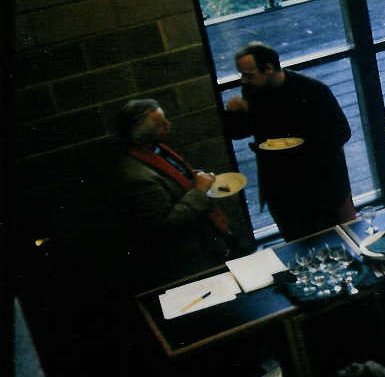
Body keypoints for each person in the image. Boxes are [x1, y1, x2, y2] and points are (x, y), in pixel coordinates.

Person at [222, 41, 354, 239]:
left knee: (329, 238)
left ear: (269, 69)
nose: (244, 80)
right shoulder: (252, 90)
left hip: (318, 183)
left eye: (249, 75)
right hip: (279, 186)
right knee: (293, 238)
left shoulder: (313, 90)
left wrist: (302, 145)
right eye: (242, 75)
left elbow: (342, 132)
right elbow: (241, 131)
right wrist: (234, 114)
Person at [115, 97, 240, 288]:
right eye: (160, 124)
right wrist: (199, 190)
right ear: (140, 134)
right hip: (189, 255)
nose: (168, 125)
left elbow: (174, 177)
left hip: (203, 240)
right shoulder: (138, 177)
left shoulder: (154, 149)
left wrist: (195, 176)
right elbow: (164, 223)